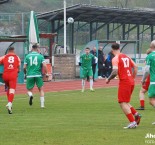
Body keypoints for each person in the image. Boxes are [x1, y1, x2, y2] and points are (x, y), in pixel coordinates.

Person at [106, 43, 141, 129]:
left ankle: (132, 122)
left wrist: (108, 79)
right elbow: (135, 66)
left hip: (124, 82)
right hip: (131, 81)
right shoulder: (126, 56)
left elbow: (114, 72)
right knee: (125, 102)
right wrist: (132, 78)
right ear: (119, 48)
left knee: (122, 102)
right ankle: (137, 115)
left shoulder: (115, 58)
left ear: (112, 50)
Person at [24, 44, 48, 108]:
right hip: (38, 75)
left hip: (30, 75)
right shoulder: (40, 56)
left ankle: (31, 95)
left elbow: (24, 67)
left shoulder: (27, 56)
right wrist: (46, 73)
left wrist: (25, 73)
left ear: (32, 48)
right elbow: (45, 66)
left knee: (29, 90)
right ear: (37, 48)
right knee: (41, 90)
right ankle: (42, 105)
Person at [0, 47, 21, 114]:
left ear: (8, 51)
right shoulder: (17, 57)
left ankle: (10, 104)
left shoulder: (4, 57)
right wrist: (18, 71)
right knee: (12, 90)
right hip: (13, 75)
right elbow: (19, 67)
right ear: (13, 51)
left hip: (5, 75)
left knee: (8, 89)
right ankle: (9, 103)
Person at [141, 40, 155, 125]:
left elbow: (146, 70)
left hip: (154, 81)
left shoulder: (150, 56)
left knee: (151, 100)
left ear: (151, 46)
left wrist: (143, 80)